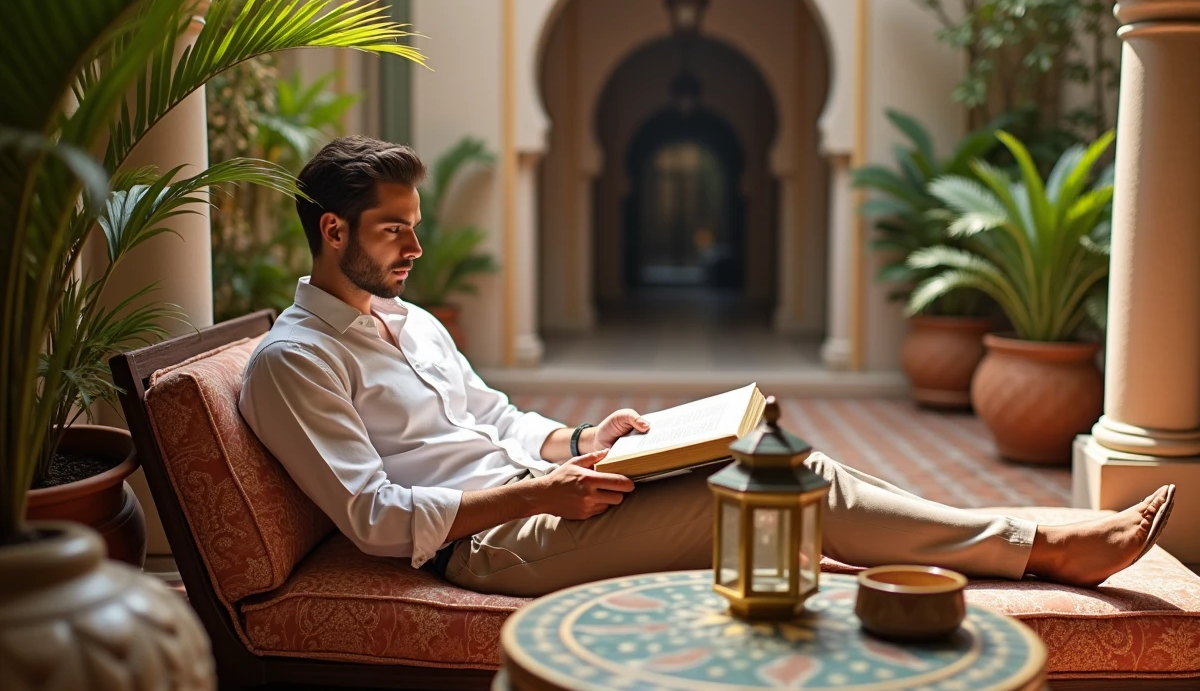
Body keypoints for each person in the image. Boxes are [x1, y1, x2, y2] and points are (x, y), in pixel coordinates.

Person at [239, 136, 1176, 598]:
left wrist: (580, 440)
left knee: (778, 455)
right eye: (393, 228)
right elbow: (371, 520)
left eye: (413, 223)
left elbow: (495, 416)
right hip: (487, 546)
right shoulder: (295, 364)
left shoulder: (407, 320)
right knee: (775, 492)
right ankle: (1038, 546)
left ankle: (1014, 541)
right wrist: (538, 496)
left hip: (549, 489)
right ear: (332, 231)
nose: (413, 244)